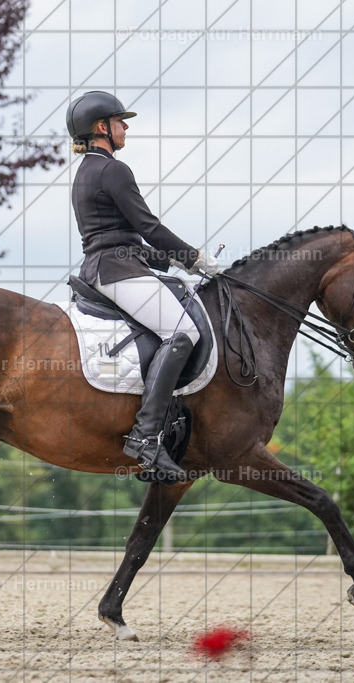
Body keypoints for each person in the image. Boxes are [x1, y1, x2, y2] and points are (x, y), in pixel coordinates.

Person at [66, 90, 221, 480]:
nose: (126, 127)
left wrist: (169, 261)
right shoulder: (114, 169)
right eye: (120, 121)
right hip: (117, 272)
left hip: (110, 266)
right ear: (102, 127)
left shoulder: (86, 171)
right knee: (182, 333)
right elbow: (148, 227)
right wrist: (194, 257)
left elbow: (119, 237)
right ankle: (146, 437)